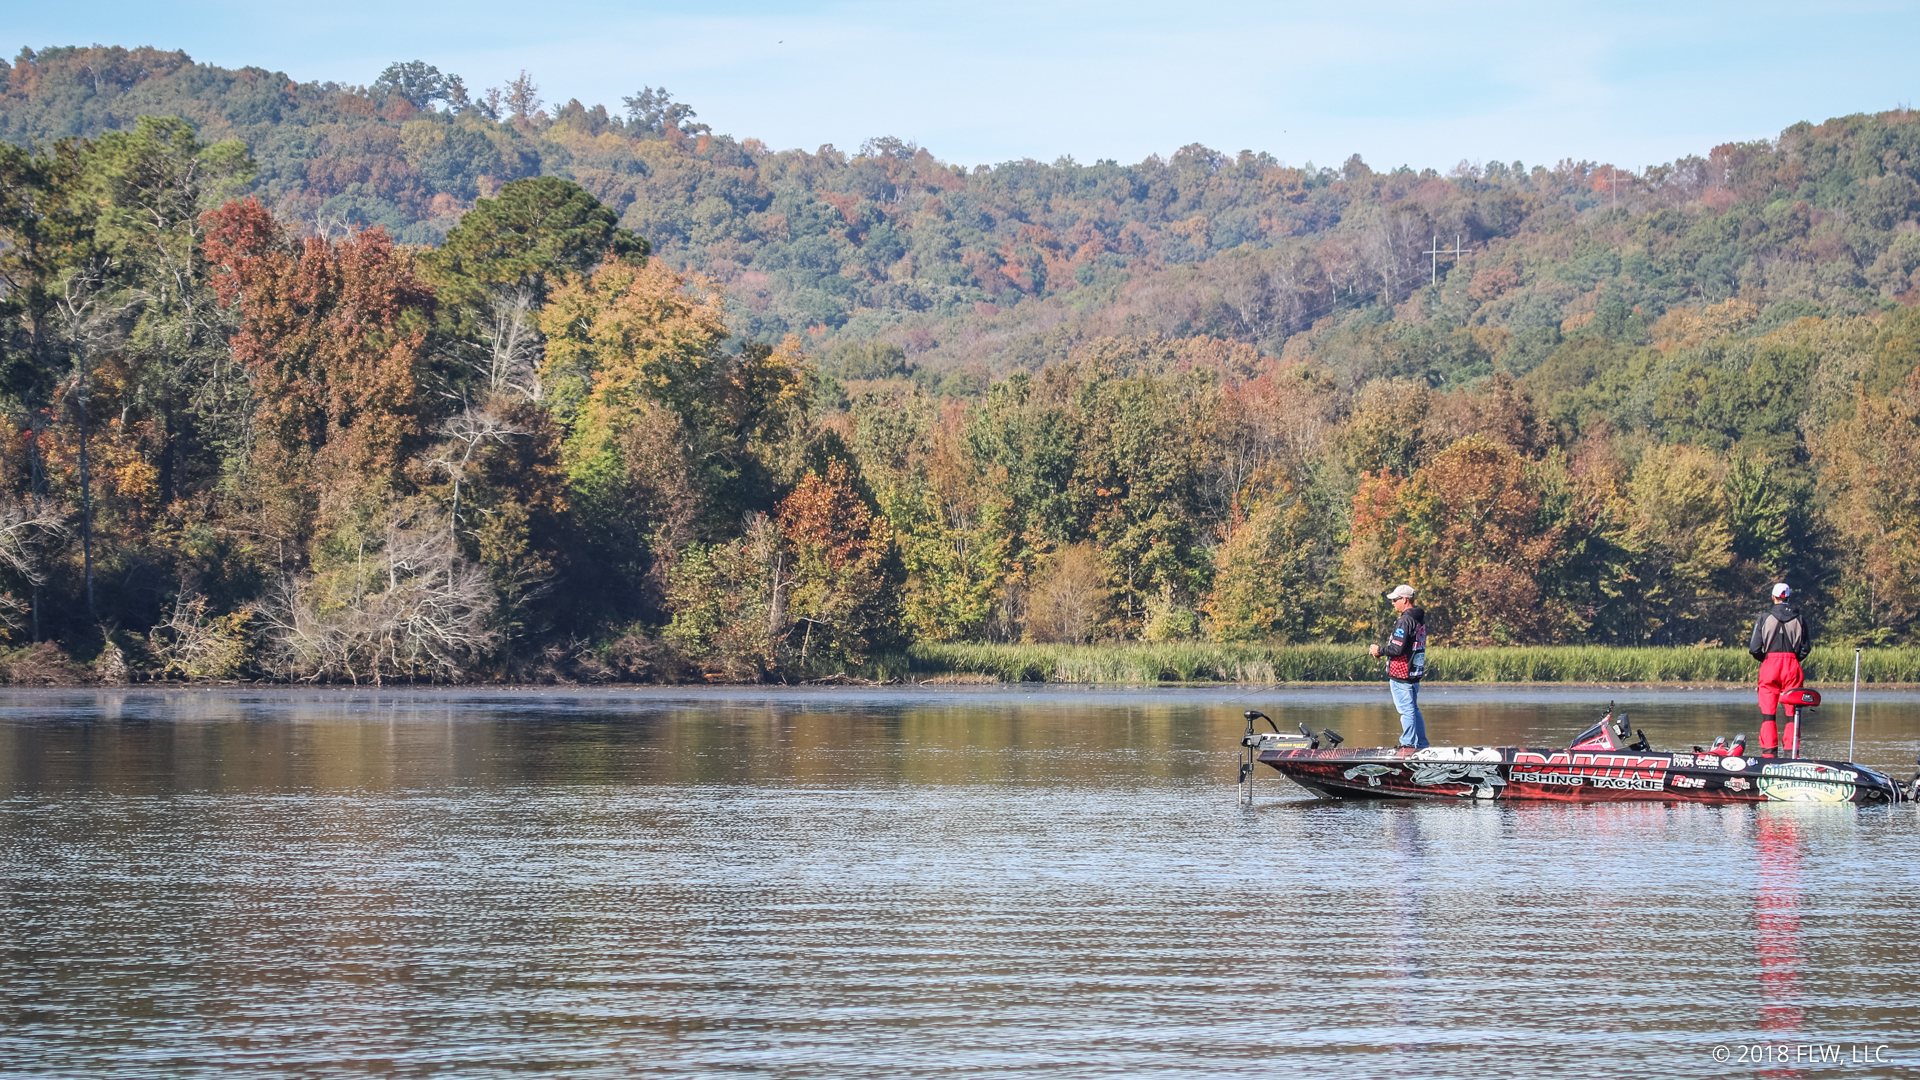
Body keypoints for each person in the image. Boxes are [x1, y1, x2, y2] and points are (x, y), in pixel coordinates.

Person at [1747, 582, 1811, 758]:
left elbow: (1754, 649)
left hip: (1770, 666)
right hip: (1792, 666)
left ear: (1773, 597)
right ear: (1788, 598)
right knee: (1793, 712)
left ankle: (1769, 754)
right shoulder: (1800, 619)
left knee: (1768, 712)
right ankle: (1791, 753)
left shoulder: (1763, 618)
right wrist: (1793, 660)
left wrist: (1765, 659)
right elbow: (1806, 648)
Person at [1369, 584, 1430, 749]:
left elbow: (1397, 648)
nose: (1393, 603)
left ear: (1405, 600)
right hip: (1413, 673)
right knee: (1414, 710)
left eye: (1395, 600)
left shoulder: (1405, 620)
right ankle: (1422, 745)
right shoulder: (1419, 619)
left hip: (1402, 674)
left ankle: (1408, 745)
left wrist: (1379, 650)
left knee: (1407, 711)